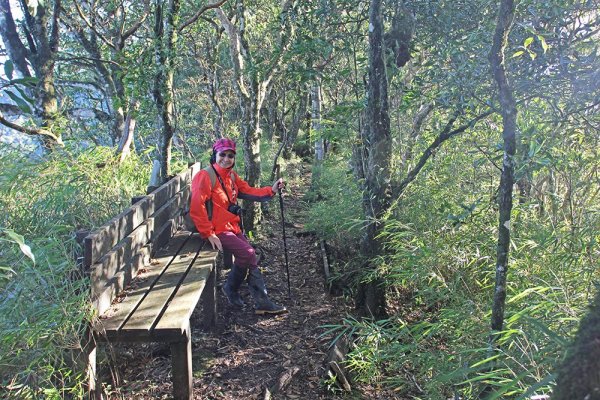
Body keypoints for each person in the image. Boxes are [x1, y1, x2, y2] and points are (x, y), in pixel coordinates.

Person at [190, 137, 288, 315]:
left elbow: (248, 191)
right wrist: (208, 233)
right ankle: (261, 302)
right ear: (215, 155)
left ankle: (231, 289)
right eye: (223, 154)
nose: (226, 159)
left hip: (232, 227)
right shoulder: (205, 176)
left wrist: (271, 190)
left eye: (230, 155)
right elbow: (197, 207)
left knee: (248, 256)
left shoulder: (231, 176)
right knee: (249, 254)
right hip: (217, 230)